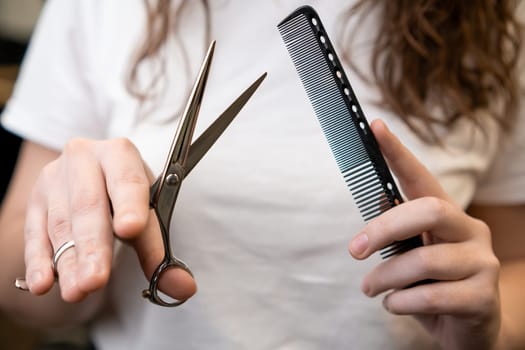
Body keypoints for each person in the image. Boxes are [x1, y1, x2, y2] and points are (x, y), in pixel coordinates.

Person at [1, 0, 524, 349]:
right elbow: (16, 294)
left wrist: (489, 327)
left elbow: (514, 266)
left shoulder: (497, 20)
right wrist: (76, 235)